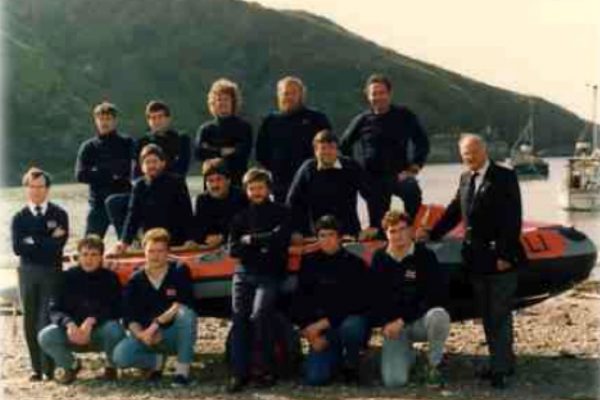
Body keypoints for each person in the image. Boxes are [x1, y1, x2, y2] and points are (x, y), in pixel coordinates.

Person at [417, 134, 524, 389]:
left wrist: (505, 256)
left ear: (484, 150)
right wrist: (432, 233)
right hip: (475, 259)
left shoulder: (504, 176)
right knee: (487, 314)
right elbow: (455, 211)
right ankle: (503, 362)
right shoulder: (465, 178)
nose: (469, 157)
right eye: (465, 154)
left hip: (499, 258)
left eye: (473, 152)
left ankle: (500, 370)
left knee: (499, 314)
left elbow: (513, 218)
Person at [226, 168, 292, 392]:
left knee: (261, 314)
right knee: (239, 318)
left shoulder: (282, 212)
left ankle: (264, 370)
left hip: (270, 274)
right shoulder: (240, 216)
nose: (256, 192)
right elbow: (233, 250)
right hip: (243, 274)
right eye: (252, 188)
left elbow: (280, 240)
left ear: (268, 189)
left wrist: (251, 240)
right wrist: (263, 244)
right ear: (246, 191)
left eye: (260, 188)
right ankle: (239, 374)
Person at [370, 210, 450, 388]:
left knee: (439, 315)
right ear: (386, 234)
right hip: (394, 328)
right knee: (394, 382)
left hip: (419, 321)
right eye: (392, 231)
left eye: (402, 229)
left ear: (411, 230)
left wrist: (403, 319)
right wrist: (386, 323)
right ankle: (410, 356)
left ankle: (433, 365)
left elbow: (434, 295)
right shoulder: (379, 259)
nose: (398, 235)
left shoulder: (425, 256)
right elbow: (375, 297)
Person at [112, 228, 197, 387]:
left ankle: (182, 372)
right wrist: (143, 335)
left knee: (186, 314)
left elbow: (182, 303)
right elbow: (129, 316)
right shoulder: (136, 279)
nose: (155, 255)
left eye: (160, 251)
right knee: (120, 356)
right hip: (148, 336)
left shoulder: (179, 270)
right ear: (144, 252)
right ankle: (156, 360)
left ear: (168, 252)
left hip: (173, 333)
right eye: (151, 251)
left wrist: (156, 325)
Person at [292, 215, 370, 386]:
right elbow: (300, 300)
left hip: (344, 324)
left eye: (331, 235)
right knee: (315, 378)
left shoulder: (354, 264)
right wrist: (310, 334)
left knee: (353, 325)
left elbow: (357, 303)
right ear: (317, 238)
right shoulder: (309, 263)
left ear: (340, 237)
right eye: (322, 235)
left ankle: (352, 363)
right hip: (320, 331)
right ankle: (333, 360)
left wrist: (322, 325)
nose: (326, 240)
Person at [340, 74, 429, 222]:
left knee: (412, 190)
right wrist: (356, 172)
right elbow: (344, 146)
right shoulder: (362, 120)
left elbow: (422, 141)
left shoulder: (404, 115)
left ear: (389, 94)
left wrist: (415, 167)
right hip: (373, 179)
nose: (378, 97)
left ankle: (412, 231)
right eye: (374, 94)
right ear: (368, 96)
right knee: (379, 224)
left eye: (382, 93)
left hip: (400, 174)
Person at [38, 235, 125, 384]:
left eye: (94, 255)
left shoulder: (110, 278)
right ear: (78, 256)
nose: (88, 259)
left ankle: (111, 366)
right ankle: (72, 365)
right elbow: (54, 309)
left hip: (99, 333)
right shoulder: (66, 278)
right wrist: (69, 324)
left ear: (101, 257)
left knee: (115, 329)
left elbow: (117, 308)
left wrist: (92, 321)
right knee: (46, 336)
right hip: (72, 333)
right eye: (84, 254)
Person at [11, 168, 69, 381]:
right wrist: (47, 239)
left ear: (47, 189)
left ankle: (49, 368)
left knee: (48, 317)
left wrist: (33, 241)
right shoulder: (19, 217)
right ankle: (36, 368)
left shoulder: (59, 214)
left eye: (41, 187)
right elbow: (18, 248)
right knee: (31, 319)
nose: (36, 191)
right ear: (27, 188)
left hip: (52, 272)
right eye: (32, 187)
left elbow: (58, 246)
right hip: (27, 273)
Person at [106, 100, 191, 235]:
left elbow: (181, 169)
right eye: (152, 118)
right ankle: (128, 241)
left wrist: (157, 175)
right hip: (147, 189)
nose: (156, 121)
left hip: (172, 190)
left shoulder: (181, 139)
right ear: (148, 121)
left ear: (168, 118)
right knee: (113, 202)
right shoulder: (141, 142)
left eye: (160, 117)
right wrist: (144, 186)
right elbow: (135, 174)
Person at [286, 130, 379, 237]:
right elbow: (292, 202)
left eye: (332, 148)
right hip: (317, 234)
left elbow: (372, 196)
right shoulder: (307, 169)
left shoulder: (350, 166)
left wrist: (374, 226)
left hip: (348, 233)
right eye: (323, 148)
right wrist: (296, 231)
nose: (328, 152)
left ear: (337, 150)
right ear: (315, 150)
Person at [256, 76, 332, 202]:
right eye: (285, 93)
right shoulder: (270, 121)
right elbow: (261, 153)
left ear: (301, 95)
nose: (289, 97)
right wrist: (276, 167)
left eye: (293, 93)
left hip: (312, 182)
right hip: (281, 185)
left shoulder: (316, 118)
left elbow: (331, 148)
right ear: (279, 96)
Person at [114, 144, 194, 253]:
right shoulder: (139, 186)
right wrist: (124, 241)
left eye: (155, 161)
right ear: (142, 167)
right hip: (151, 240)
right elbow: (133, 215)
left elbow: (186, 213)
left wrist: (190, 239)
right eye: (147, 162)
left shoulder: (177, 182)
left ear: (163, 163)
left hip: (176, 240)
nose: (151, 166)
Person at [75, 102, 135, 238]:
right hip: (98, 203)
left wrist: (97, 171)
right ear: (96, 121)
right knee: (89, 244)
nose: (104, 123)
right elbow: (80, 175)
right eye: (101, 119)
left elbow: (130, 169)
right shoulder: (88, 147)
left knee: (129, 244)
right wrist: (110, 173)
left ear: (115, 121)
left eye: (108, 119)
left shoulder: (127, 142)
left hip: (122, 201)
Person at [194, 78, 253, 187]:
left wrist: (212, 150)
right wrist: (222, 151)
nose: (222, 103)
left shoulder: (244, 127)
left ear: (233, 102)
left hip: (237, 183)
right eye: (219, 99)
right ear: (213, 103)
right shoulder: (206, 129)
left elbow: (243, 153)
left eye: (226, 99)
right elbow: (198, 153)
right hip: (212, 186)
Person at [192, 159, 248, 247]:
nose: (215, 185)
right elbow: (199, 229)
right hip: (210, 247)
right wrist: (205, 238)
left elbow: (246, 227)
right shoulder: (202, 199)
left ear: (228, 180)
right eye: (210, 181)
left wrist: (223, 238)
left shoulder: (241, 197)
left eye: (219, 179)